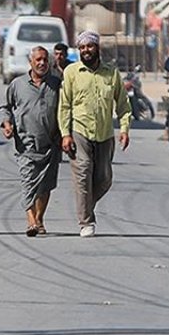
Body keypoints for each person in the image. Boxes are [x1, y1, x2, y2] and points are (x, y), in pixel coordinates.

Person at [58, 31, 131, 237]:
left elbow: (124, 105)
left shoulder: (111, 73)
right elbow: (64, 106)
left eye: (89, 46)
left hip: (105, 133)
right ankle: (86, 221)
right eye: (82, 48)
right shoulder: (72, 72)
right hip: (79, 131)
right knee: (83, 172)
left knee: (104, 178)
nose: (86, 51)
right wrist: (65, 133)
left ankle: (86, 204)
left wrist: (124, 129)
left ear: (97, 48)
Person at [0, 47, 63, 237]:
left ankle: (40, 219)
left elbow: (66, 109)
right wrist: (6, 123)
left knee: (45, 185)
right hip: (25, 144)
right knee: (28, 182)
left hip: (51, 144)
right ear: (30, 62)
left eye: (45, 60)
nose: (42, 63)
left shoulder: (56, 84)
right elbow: (5, 107)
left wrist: (64, 134)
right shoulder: (17, 85)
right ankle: (31, 221)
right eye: (38, 60)